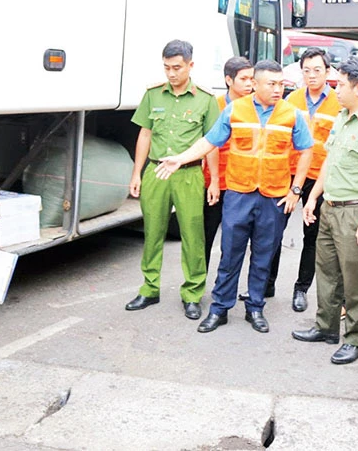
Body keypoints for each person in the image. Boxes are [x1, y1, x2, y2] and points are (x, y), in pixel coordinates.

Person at [154, 60, 313, 333]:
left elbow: (306, 150)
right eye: (271, 84)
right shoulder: (234, 110)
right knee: (230, 255)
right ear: (255, 84)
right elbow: (209, 142)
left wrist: (295, 191)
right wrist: (180, 159)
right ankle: (220, 308)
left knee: (263, 255)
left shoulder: (293, 115)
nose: (277, 90)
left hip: (273, 198)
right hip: (239, 194)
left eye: (281, 84)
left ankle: (255, 308)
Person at [291, 58, 358, 364]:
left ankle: (354, 339)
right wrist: (313, 198)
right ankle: (325, 326)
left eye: (341, 84)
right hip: (330, 207)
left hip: (355, 211)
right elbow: (330, 161)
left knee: (356, 280)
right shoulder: (342, 118)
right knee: (327, 272)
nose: (335, 89)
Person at [125, 40, 220, 321]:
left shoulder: (205, 99)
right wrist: (136, 173)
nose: (172, 73)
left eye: (177, 67)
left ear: (191, 65)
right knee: (152, 233)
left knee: (192, 235)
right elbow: (145, 134)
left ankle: (192, 294)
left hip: (189, 174)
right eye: (167, 68)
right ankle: (149, 288)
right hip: (156, 172)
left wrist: (213, 180)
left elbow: (211, 142)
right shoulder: (154, 95)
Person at [264, 47, 341, 311]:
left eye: (317, 70)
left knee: (312, 236)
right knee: (274, 230)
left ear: (328, 72)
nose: (311, 75)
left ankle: (301, 289)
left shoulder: (339, 102)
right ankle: (267, 283)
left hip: (320, 178)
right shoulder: (291, 100)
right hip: (289, 174)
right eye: (306, 70)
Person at [203, 57, 254, 271]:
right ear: (228, 80)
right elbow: (209, 144)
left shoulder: (255, 106)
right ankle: (196, 285)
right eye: (243, 79)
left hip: (242, 184)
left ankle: (223, 285)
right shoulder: (214, 105)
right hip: (215, 182)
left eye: (252, 78)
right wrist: (213, 180)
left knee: (233, 241)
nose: (249, 83)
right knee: (204, 236)